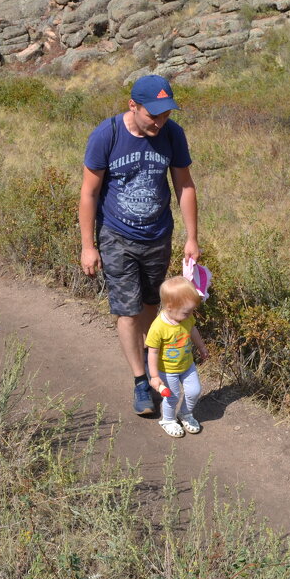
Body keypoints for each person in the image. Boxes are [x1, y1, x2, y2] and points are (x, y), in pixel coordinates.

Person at [79, 74, 200, 417]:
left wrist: (191, 238)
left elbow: (185, 186)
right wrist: (89, 246)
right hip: (116, 235)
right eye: (153, 115)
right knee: (128, 308)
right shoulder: (108, 135)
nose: (160, 122)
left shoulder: (172, 134)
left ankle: (154, 370)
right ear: (133, 105)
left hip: (157, 234)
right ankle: (139, 382)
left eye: (166, 115)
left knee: (151, 303)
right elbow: (88, 193)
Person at [146, 276, 209, 437]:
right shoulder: (158, 327)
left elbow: (193, 330)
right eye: (186, 312)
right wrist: (154, 376)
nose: (190, 315)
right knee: (172, 397)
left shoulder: (187, 318)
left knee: (194, 391)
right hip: (167, 370)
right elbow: (152, 352)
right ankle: (167, 420)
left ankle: (185, 413)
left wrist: (201, 347)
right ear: (169, 306)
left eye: (191, 311)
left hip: (187, 364)